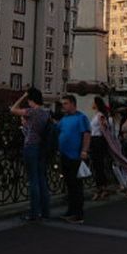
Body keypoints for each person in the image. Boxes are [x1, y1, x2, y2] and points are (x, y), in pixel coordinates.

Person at [10, 87, 50, 221]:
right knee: (42, 179)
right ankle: (45, 211)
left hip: (31, 147)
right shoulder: (46, 113)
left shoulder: (32, 111)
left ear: (31, 99)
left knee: (33, 180)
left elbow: (13, 109)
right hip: (42, 147)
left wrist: (23, 96)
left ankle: (34, 212)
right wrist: (26, 126)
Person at [57, 94, 91, 224]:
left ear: (72, 104)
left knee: (76, 186)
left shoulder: (81, 117)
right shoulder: (64, 119)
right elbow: (57, 129)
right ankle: (70, 211)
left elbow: (86, 134)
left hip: (75, 155)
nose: (63, 106)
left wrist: (84, 150)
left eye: (65, 103)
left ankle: (78, 214)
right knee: (69, 185)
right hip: (64, 155)